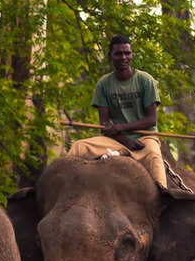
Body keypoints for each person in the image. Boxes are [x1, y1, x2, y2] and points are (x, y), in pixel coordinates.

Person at [67, 34, 167, 187]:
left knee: (154, 157)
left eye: (127, 53)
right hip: (116, 139)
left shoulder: (145, 80)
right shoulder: (103, 84)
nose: (124, 57)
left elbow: (151, 120)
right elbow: (104, 125)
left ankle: (165, 195)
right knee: (78, 147)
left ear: (132, 54)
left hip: (145, 138)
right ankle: (62, 185)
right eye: (118, 53)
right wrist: (125, 140)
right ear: (111, 56)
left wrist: (123, 127)